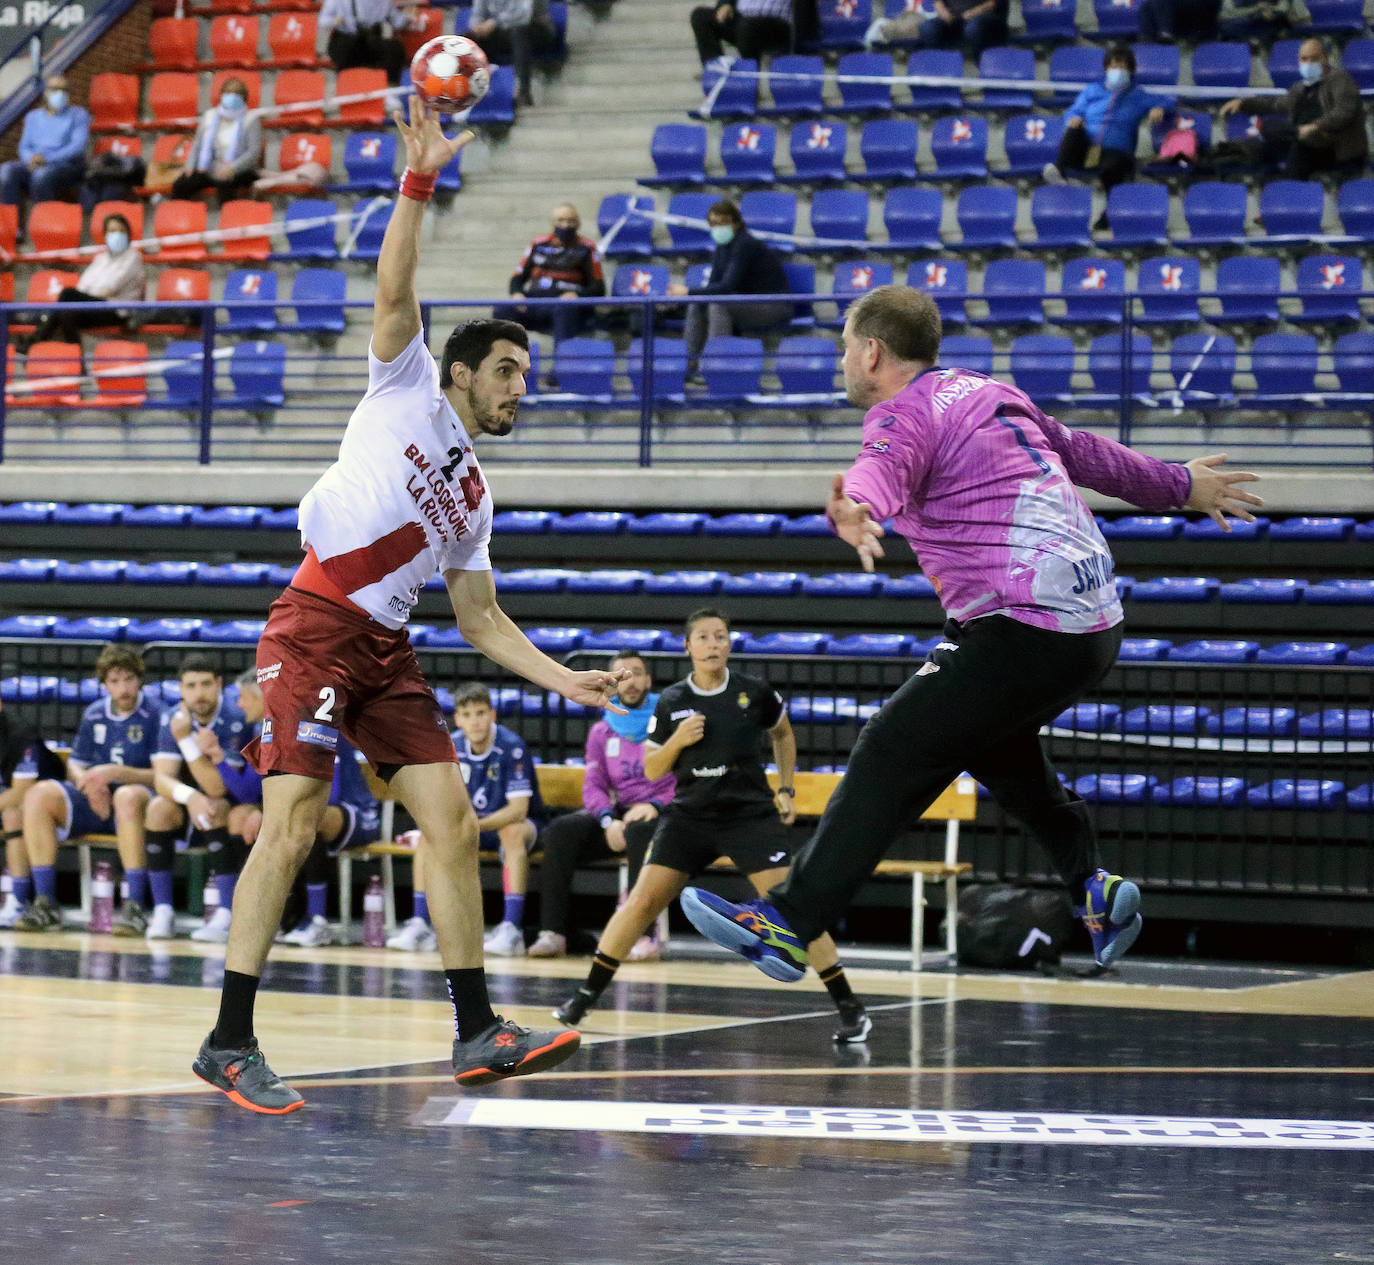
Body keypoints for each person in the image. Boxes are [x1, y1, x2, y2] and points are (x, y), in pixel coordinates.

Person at [191, 97, 629, 1115]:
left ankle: (478, 1027)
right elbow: (394, 286)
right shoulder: (408, 386)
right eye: (510, 370)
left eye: (529, 374)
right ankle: (227, 1037)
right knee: (291, 820)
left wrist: (566, 677)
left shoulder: (478, 495)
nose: (522, 387)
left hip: (385, 648)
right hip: (315, 621)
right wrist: (418, 181)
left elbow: (480, 618)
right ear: (465, 370)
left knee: (451, 812)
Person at [675, 285, 1262, 994]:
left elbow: (880, 468)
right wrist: (1178, 485)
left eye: (842, 350)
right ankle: (1092, 887)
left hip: (1022, 618)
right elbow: (1082, 452)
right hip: (1095, 618)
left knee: (892, 746)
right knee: (996, 745)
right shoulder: (987, 388)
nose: (841, 363)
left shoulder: (902, 412)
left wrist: (855, 507)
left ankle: (791, 921)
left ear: (872, 351)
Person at [555, 609, 872, 1045]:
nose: (712, 644)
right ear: (688, 648)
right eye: (703, 637)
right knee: (642, 900)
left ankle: (850, 1008)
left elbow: (783, 734)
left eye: (720, 636)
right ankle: (584, 997)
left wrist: (785, 789)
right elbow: (651, 768)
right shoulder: (670, 702)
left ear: (729, 644)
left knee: (794, 907)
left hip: (749, 816)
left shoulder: (754, 692)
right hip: (690, 816)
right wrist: (679, 740)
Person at [187, 669, 381, 948]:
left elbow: (332, 794)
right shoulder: (265, 730)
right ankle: (231, 913)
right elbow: (247, 791)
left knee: (307, 817)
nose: (239, 705)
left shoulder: (314, 723)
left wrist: (271, 813)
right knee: (239, 817)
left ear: (264, 698)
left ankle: (317, 920)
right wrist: (218, 757)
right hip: (305, 814)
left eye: (243, 698)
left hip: (356, 814)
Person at [528, 650, 676, 960]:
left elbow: (682, 779)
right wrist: (608, 820)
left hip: (661, 815)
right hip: (620, 815)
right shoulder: (602, 730)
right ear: (610, 682)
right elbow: (593, 785)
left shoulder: (668, 722)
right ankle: (554, 932)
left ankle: (642, 936)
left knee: (640, 831)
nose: (630, 680)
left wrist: (656, 805)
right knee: (560, 832)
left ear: (648, 680)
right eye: (622, 674)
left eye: (636, 672)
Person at [10, 646, 161, 935]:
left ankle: (136, 906)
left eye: (129, 679)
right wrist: (90, 785)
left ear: (140, 679)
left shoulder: (156, 713)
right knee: (38, 795)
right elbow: (76, 766)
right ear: (104, 684)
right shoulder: (94, 713)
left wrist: (114, 774)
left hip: (138, 800)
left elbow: (161, 777)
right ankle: (45, 903)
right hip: (96, 800)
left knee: (126, 796)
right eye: (114, 682)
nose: (123, 688)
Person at [387, 682, 545, 956]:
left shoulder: (512, 746)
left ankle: (511, 929)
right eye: (467, 714)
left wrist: (473, 824)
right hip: (471, 826)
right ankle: (420, 924)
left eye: (481, 712)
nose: (475, 721)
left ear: (493, 715)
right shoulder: (450, 747)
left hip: (518, 825)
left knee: (513, 832)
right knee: (429, 836)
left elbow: (519, 809)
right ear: (457, 719)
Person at [143, 654, 253, 943]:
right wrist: (190, 796)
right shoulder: (171, 717)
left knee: (215, 807)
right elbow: (162, 778)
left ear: (219, 684)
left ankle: (226, 912)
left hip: (231, 803)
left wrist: (184, 740)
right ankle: (163, 911)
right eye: (191, 686)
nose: (199, 693)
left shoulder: (236, 717)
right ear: (180, 689)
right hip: (189, 804)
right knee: (157, 809)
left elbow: (217, 788)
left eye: (206, 684)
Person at [666, 199, 792, 380]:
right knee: (697, 304)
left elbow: (726, 287)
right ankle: (689, 368)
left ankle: (715, 369)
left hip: (774, 305)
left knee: (718, 306)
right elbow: (713, 284)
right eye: (713, 224)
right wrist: (692, 296)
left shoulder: (745, 244)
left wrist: (687, 291)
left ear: (736, 222)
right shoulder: (721, 247)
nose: (718, 228)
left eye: (722, 223)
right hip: (744, 303)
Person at [1041, 46, 1170, 221]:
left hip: (1116, 153)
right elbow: (1073, 111)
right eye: (1113, 66)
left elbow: (1168, 101)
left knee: (1112, 167)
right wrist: (1074, 118)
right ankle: (1059, 172)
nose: (1117, 71)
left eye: (1122, 67)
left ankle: (1109, 213)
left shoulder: (1137, 95)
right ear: (1106, 69)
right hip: (1088, 151)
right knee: (1073, 130)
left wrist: (1159, 108)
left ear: (1131, 70)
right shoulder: (1092, 90)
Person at [1219, 38, 1367, 181]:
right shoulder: (1300, 87)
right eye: (1304, 59)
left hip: (1339, 151)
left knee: (1293, 143)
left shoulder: (1340, 79)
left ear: (1326, 57)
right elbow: (1277, 105)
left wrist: (1314, 126)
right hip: (1309, 145)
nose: (1308, 63)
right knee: (1270, 128)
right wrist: (1244, 103)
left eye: (1314, 58)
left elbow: (1343, 113)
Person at [19, 213, 145, 351]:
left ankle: (33, 344)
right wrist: (93, 293)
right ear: (105, 236)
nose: (118, 235)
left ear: (128, 234)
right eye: (113, 231)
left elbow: (111, 288)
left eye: (122, 231)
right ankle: (76, 361)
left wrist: (91, 293)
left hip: (117, 312)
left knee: (67, 294)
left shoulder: (133, 257)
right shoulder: (101, 259)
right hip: (95, 306)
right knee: (67, 313)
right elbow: (83, 284)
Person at [494, 204, 605, 348]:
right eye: (561, 220)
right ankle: (506, 362)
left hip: (565, 303)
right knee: (502, 309)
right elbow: (517, 278)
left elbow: (599, 288)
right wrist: (517, 293)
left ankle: (561, 364)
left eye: (570, 221)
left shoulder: (587, 248)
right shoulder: (537, 244)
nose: (565, 225)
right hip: (536, 300)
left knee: (565, 309)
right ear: (553, 222)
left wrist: (577, 294)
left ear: (578, 223)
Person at [0, 73, 88, 213]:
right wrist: (31, 159)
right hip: (34, 163)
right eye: (55, 89)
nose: (60, 93)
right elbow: (24, 146)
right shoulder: (33, 116)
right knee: (6, 170)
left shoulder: (78, 114)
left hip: (66, 166)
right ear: (45, 92)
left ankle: (44, 223)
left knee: (40, 175)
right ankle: (12, 225)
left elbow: (77, 146)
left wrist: (46, 159)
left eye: (64, 90)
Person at [170, 78, 263, 204]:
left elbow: (253, 153)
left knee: (224, 183)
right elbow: (198, 144)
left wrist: (232, 168)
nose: (232, 97)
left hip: (240, 169)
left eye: (236, 93)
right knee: (181, 184)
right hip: (210, 166)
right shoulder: (209, 116)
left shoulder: (251, 119)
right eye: (228, 93)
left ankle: (227, 219)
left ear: (244, 97)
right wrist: (190, 164)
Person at [467, 0, 559, 107]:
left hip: (535, 28)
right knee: (468, 40)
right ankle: (465, 92)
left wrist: (494, 23)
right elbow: (477, 15)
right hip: (503, 31)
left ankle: (522, 92)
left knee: (518, 33)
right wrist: (478, 28)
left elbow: (523, 16)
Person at [320, 0, 412, 85]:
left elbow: (397, 21)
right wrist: (335, 21)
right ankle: (347, 85)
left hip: (370, 40)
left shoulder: (385, 2)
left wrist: (407, 18)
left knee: (394, 48)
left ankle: (390, 86)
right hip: (346, 39)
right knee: (349, 46)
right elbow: (323, 21)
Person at [690, 0, 793, 70]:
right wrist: (725, 3)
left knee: (747, 27)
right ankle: (715, 69)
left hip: (778, 25)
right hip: (743, 20)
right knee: (700, 16)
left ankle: (747, 74)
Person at [1138, 0, 1219, 42]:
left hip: (1203, 10)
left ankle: (1165, 32)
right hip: (1179, 11)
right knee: (1146, 8)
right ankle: (1148, 44)